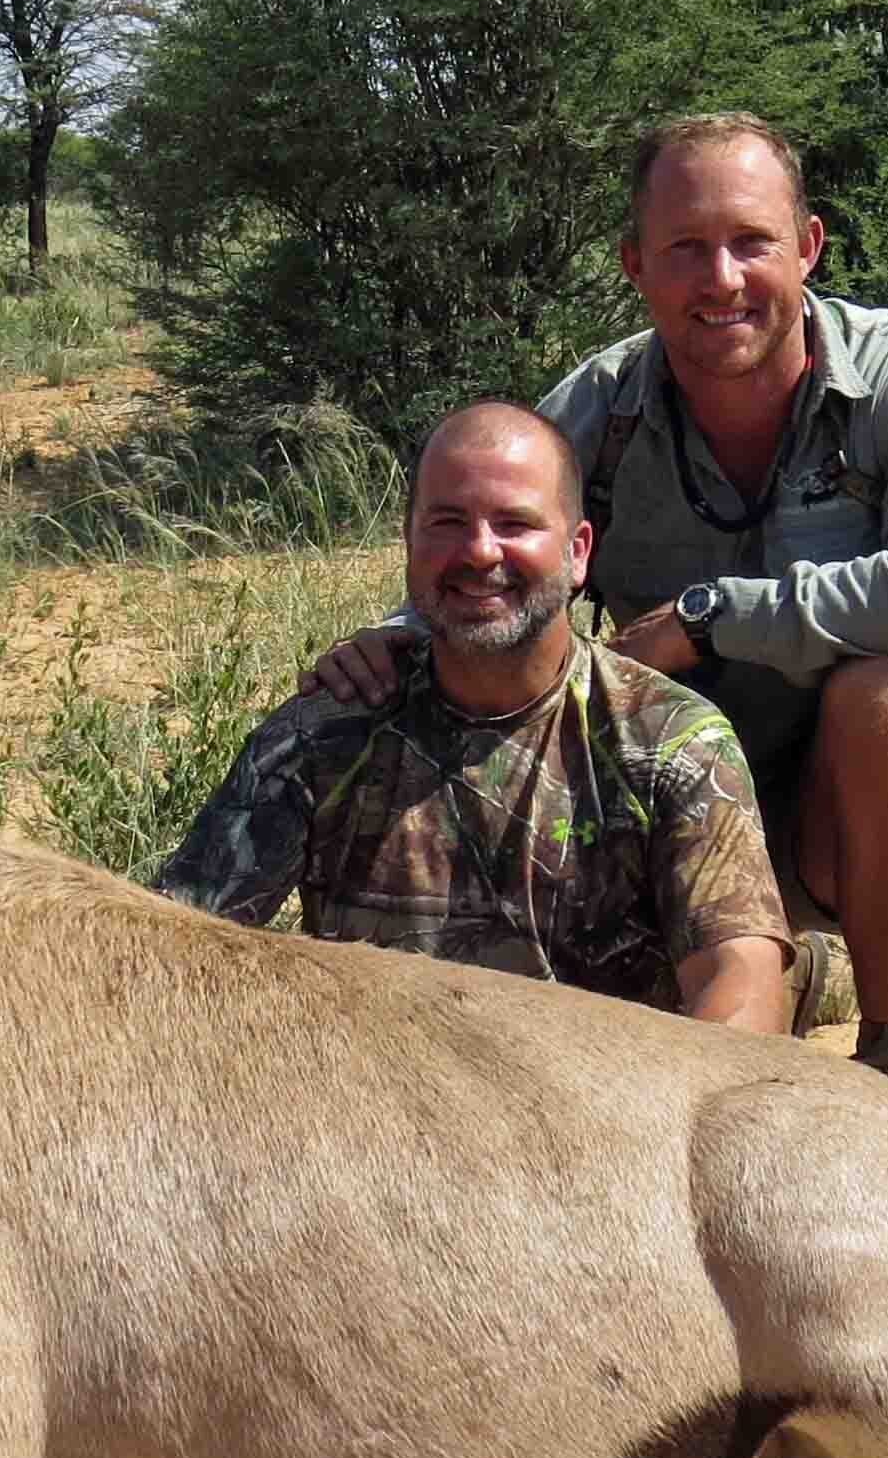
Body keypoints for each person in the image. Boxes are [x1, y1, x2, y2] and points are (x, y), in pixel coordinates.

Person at [307, 113, 888, 1107]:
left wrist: (709, 614)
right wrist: (390, 638)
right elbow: (499, 554)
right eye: (684, 248)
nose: (719, 278)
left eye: (750, 242)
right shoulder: (599, 402)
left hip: (840, 812)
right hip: (670, 818)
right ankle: (763, 969)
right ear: (634, 263)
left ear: (806, 246)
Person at [152, 398, 795, 1031]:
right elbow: (177, 950)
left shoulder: (669, 739)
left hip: (603, 1113)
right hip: (382, 1103)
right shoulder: (323, 731)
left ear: (578, 553)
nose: (480, 552)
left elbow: (739, 982)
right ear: (408, 542)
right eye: (447, 522)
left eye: (514, 523)